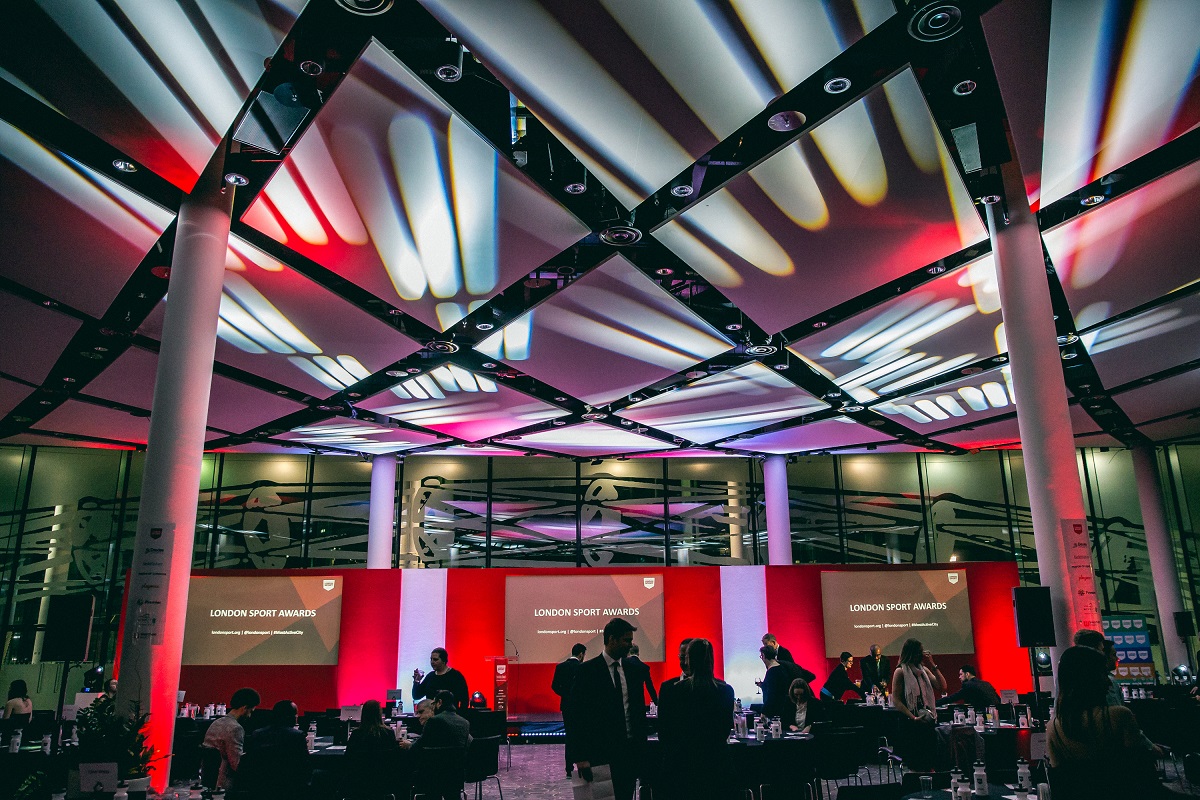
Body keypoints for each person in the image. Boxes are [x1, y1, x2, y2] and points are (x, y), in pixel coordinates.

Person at [1047, 646, 1185, 798]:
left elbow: (1059, 783)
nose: (1108, 682)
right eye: (1103, 674)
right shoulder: (1119, 716)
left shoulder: (1053, 728)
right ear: (1089, 678)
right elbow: (1141, 774)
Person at [569, 617, 647, 800]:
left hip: (629, 753)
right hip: (599, 755)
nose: (630, 645)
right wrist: (580, 757)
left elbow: (636, 713)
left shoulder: (633, 670)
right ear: (612, 639)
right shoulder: (586, 672)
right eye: (626, 640)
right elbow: (576, 716)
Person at [656, 638, 735, 800]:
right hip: (715, 764)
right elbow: (725, 729)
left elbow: (664, 731)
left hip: (681, 765)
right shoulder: (725, 691)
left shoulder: (674, 691)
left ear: (689, 660)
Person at [233, 700, 310, 799]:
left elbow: (249, 760)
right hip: (288, 786)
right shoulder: (297, 736)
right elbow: (304, 764)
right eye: (295, 714)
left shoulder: (257, 734)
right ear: (291, 717)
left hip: (259, 785)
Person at [890, 639, 946, 771]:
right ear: (912, 653)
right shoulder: (900, 672)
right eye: (920, 652)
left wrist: (933, 664)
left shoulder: (924, 670)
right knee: (915, 764)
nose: (922, 655)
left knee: (929, 762)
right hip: (911, 723)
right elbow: (896, 700)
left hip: (927, 721)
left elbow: (942, 686)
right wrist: (912, 717)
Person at [202, 687, 260, 790]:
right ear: (244, 708)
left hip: (208, 780)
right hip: (224, 783)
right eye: (251, 711)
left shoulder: (216, 723)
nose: (250, 715)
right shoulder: (235, 728)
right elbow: (237, 764)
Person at [346, 699, 401, 798]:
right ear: (380, 714)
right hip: (384, 782)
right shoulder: (389, 733)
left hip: (359, 782)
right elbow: (394, 759)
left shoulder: (356, 734)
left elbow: (348, 758)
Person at [552, 643, 587, 778]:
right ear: (581, 654)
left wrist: (565, 694)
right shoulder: (582, 667)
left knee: (570, 735)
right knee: (581, 736)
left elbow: (554, 686)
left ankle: (568, 768)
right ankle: (582, 766)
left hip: (566, 706)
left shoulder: (561, 667)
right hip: (581, 707)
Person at [402, 689, 471, 751]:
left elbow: (419, 745)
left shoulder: (434, 720)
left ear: (439, 702)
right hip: (458, 763)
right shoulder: (465, 722)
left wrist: (409, 745)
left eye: (434, 703)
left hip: (435, 763)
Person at [760, 644, 813, 720]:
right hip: (783, 707)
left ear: (764, 656)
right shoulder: (782, 667)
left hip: (775, 710)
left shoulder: (772, 671)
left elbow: (772, 694)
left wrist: (764, 712)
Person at [658, 638, 694, 703]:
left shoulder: (711, 688)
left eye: (690, 658)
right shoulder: (667, 688)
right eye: (683, 658)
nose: (686, 662)